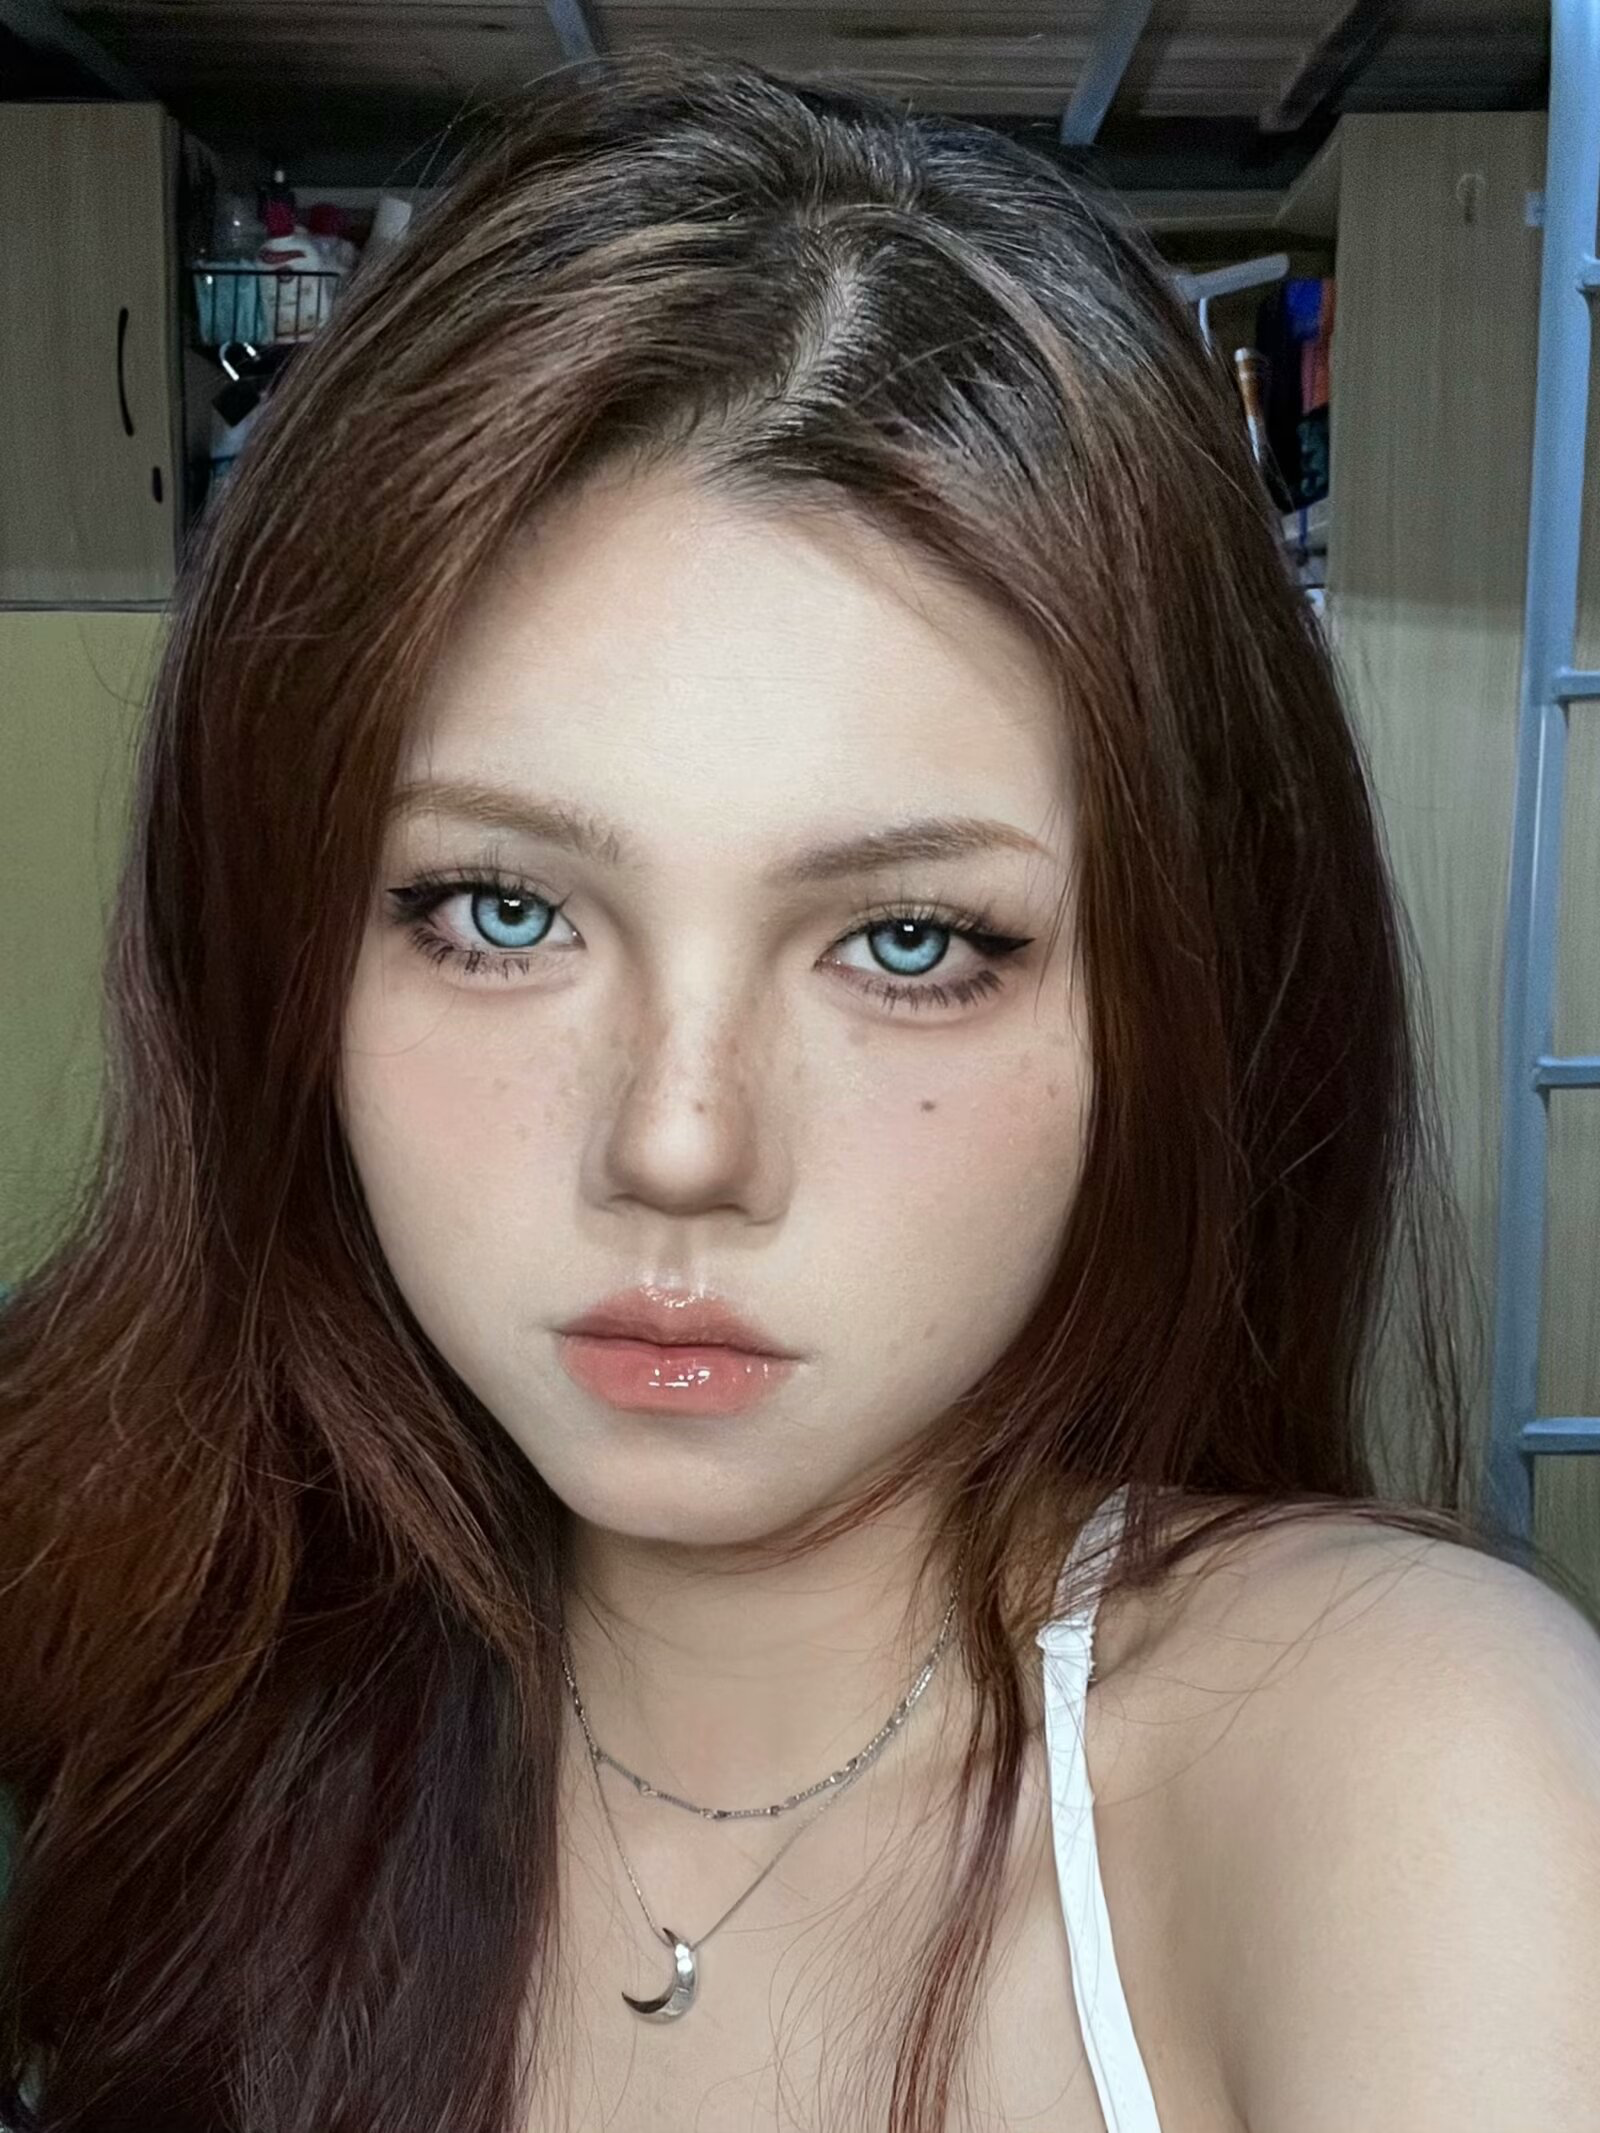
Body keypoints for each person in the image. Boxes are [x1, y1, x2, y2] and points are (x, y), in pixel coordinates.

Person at [1, 49, 1597, 2133]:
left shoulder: (1397, 1765)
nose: (677, 1143)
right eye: (498, 910)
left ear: (1186, 1000)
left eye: (908, 943)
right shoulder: (162, 1683)